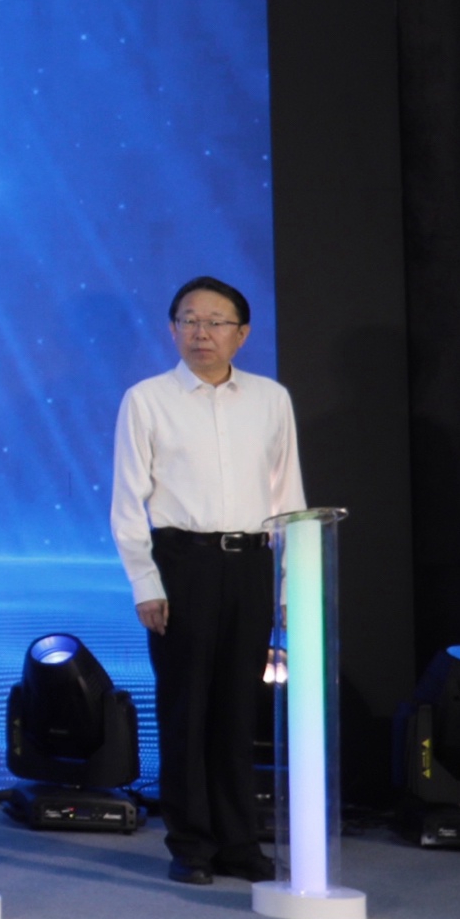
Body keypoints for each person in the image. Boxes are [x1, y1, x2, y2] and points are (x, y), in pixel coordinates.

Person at [108, 276, 306, 886]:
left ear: (241, 334)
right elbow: (126, 502)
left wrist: (290, 587)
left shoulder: (271, 399)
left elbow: (289, 497)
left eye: (216, 322)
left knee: (239, 709)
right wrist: (145, 582)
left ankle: (239, 843)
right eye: (189, 320)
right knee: (185, 709)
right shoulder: (147, 399)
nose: (202, 332)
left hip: (249, 563)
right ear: (172, 329)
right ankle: (191, 844)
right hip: (182, 562)